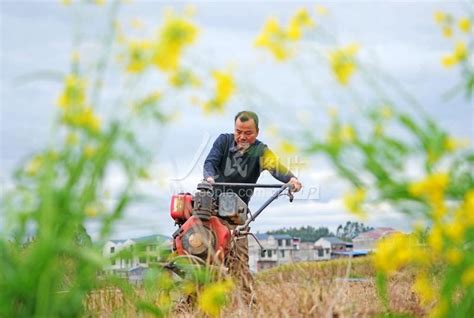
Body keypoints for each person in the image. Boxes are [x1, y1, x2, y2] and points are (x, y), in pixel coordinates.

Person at [203, 110, 302, 303]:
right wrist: (208, 177)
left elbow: (276, 167)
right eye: (238, 131)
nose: (242, 137)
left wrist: (291, 178)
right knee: (200, 252)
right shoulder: (223, 142)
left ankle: (247, 306)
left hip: (236, 215)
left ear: (257, 132)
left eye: (248, 133)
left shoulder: (261, 151)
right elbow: (210, 163)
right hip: (212, 209)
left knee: (239, 263)